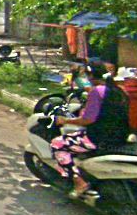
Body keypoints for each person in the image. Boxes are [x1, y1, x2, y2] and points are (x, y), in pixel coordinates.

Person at [51, 60, 131, 196]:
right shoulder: (119, 90)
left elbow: (87, 120)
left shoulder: (97, 92)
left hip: (99, 138)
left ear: (91, 76)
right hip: (121, 135)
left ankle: (79, 182)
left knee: (57, 144)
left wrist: (65, 120)